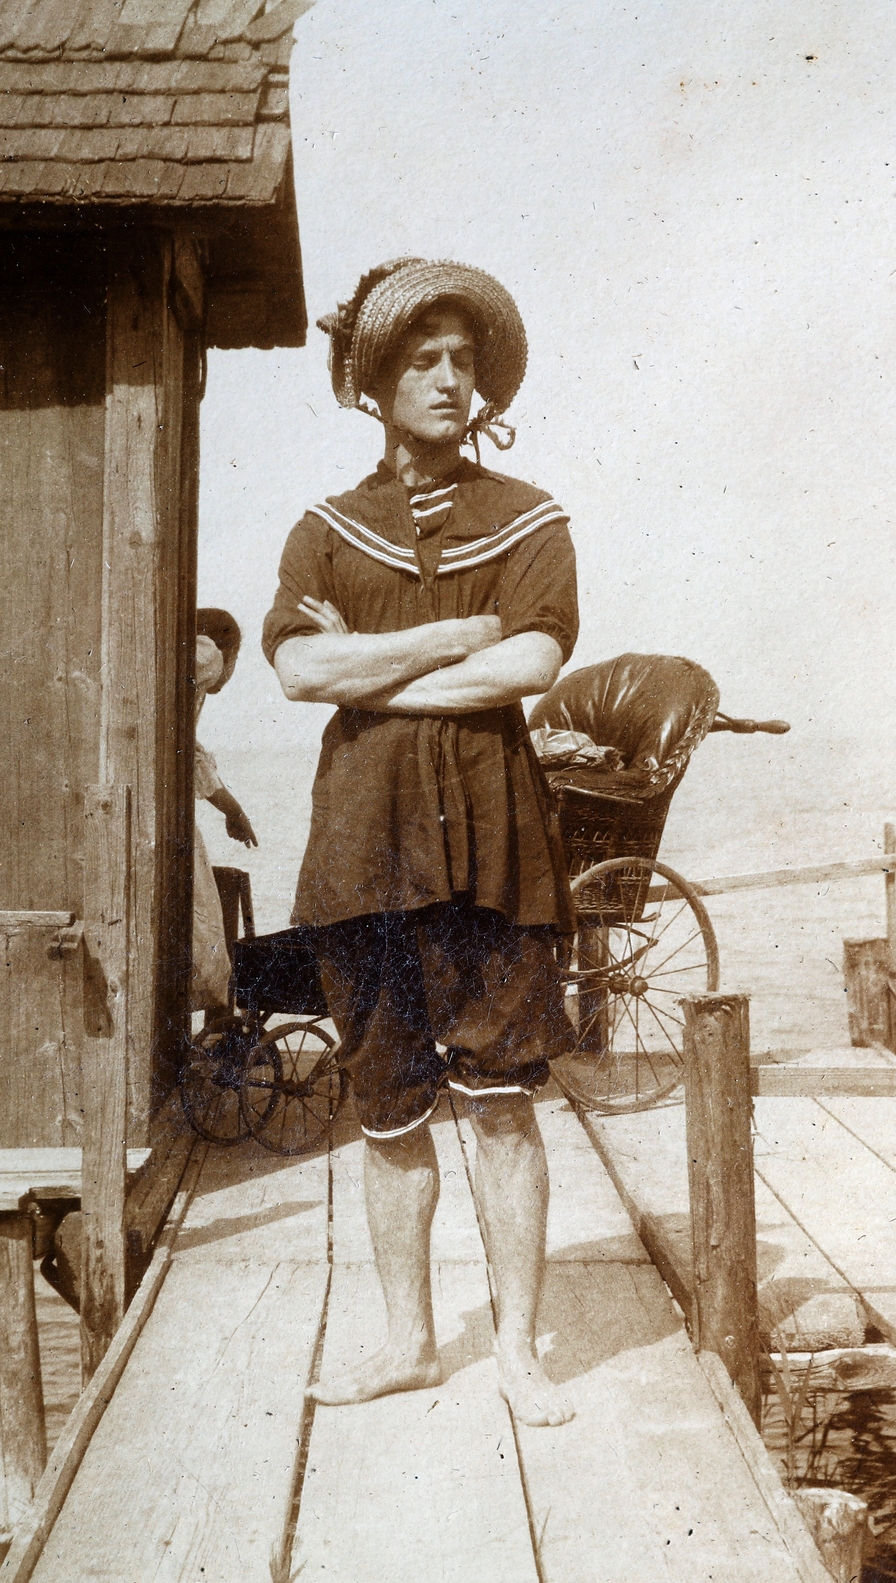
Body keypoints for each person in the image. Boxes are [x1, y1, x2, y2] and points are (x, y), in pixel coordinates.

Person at [263, 258, 580, 1427]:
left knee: (502, 1100)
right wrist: (455, 633)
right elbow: (299, 667)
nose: (450, 381)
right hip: (361, 850)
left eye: (464, 362)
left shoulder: (530, 518)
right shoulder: (326, 530)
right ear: (375, 381)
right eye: (422, 361)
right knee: (387, 1105)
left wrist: (375, 665)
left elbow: (534, 663)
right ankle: (404, 1341)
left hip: (494, 846)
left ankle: (519, 1353)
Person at [191, 608, 257, 1016]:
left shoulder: (190, 689)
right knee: (203, 928)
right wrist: (234, 812)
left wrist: (233, 810)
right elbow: (204, 654)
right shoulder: (207, 658)